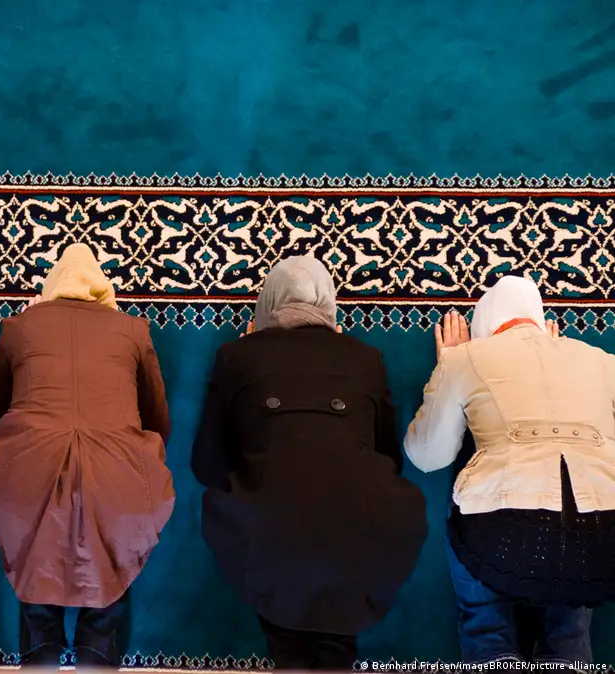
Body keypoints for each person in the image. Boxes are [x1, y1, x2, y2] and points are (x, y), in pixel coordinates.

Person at [191, 256, 427, 670]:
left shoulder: (236, 356)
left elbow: (206, 465)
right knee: (335, 631)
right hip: (359, 539)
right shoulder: (366, 358)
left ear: (267, 303)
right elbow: (390, 457)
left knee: (285, 622)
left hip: (269, 545)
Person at [0, 243, 172, 669]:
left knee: (34, 545)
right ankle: (96, 650)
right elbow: (158, 419)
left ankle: (41, 648)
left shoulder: (20, 327)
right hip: (117, 479)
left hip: (26, 476)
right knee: (113, 542)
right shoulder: (133, 329)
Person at [405, 275, 615, 668]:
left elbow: (427, 456)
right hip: (602, 549)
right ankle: (566, 646)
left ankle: (491, 640)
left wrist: (450, 365)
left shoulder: (467, 358)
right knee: (572, 614)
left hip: (501, 540)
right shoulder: (605, 362)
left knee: (485, 624)